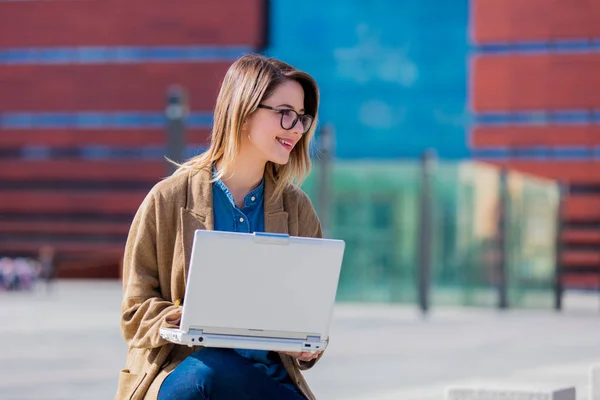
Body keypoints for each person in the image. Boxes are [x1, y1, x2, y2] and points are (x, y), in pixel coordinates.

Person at [116, 54, 325, 400]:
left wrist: (308, 345)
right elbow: (134, 312)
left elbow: (310, 315)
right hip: (187, 373)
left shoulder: (297, 209)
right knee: (211, 371)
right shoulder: (168, 200)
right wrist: (192, 316)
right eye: (286, 114)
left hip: (265, 382)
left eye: (302, 118)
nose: (298, 129)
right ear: (244, 111)